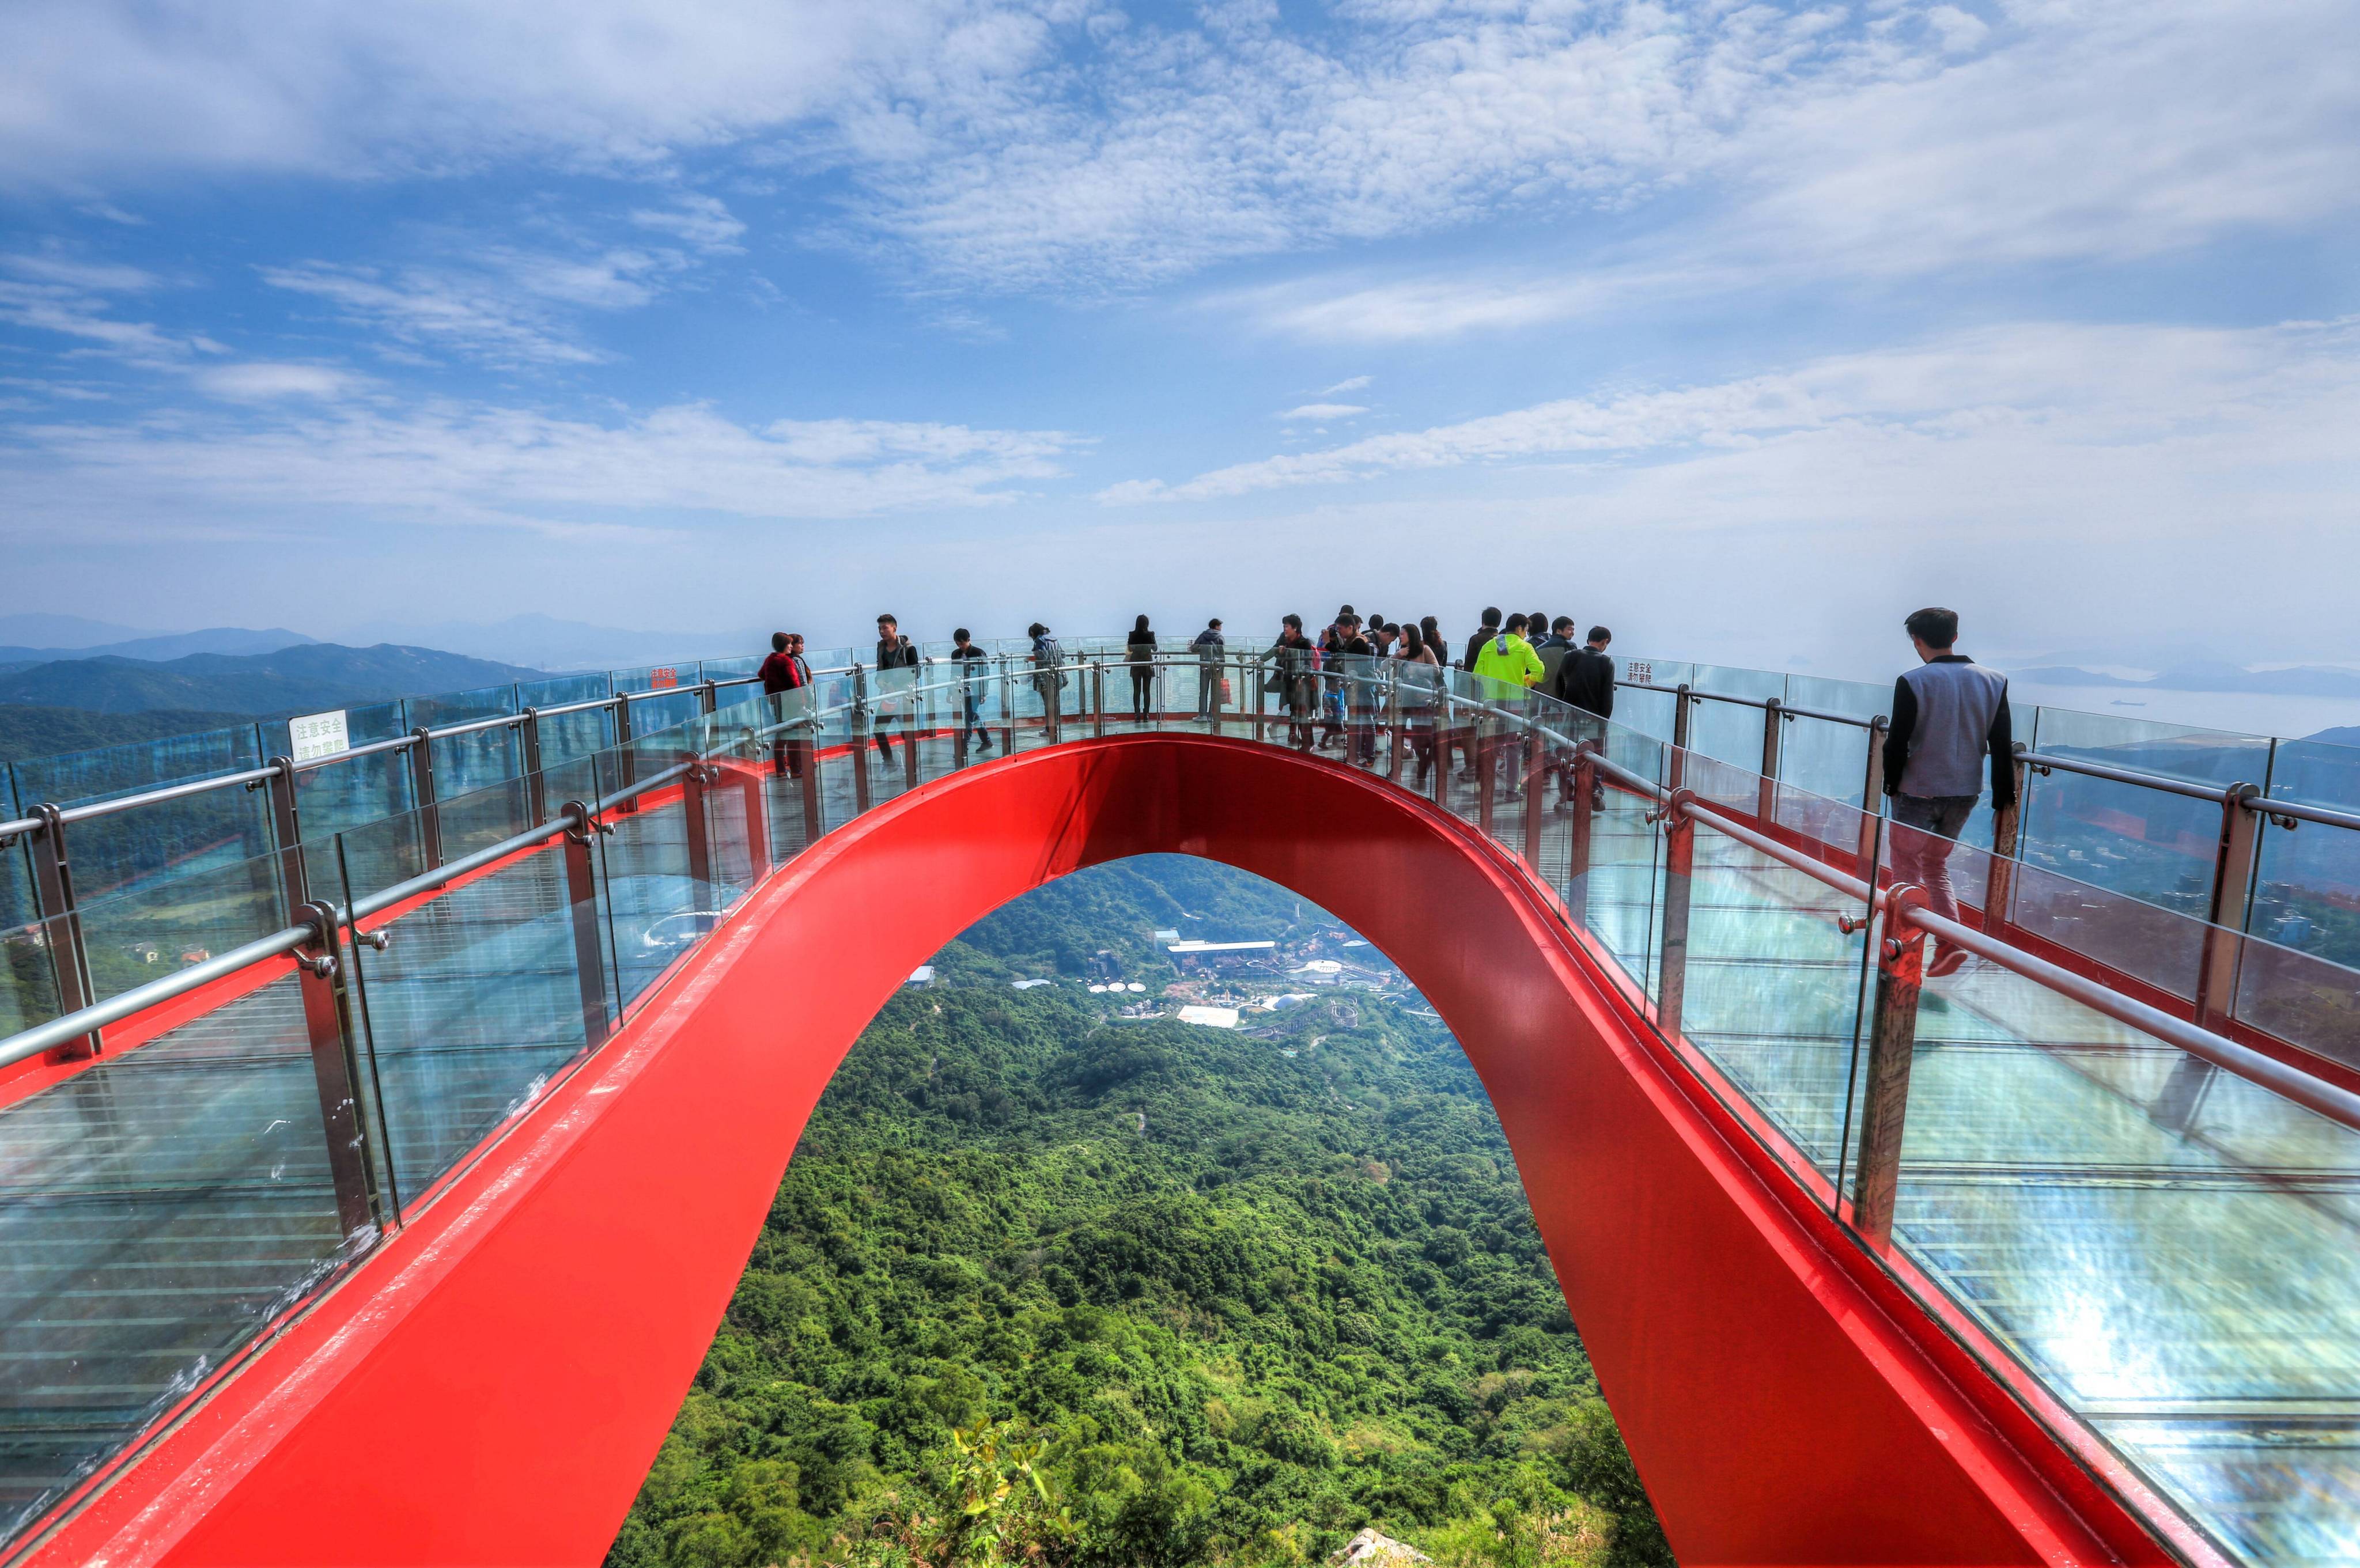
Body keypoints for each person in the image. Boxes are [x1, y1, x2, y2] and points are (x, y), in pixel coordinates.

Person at [1883, 607, 2015, 979]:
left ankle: (1902, 957)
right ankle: (1949, 944)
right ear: (1955, 636)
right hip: (1965, 793)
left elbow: (1897, 744)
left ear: (1917, 641)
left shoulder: (1913, 682)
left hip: (1917, 792)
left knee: (1906, 873)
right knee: (1937, 866)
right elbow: (2001, 745)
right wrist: (2003, 800)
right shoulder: (1994, 681)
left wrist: (1890, 784)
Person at [1471, 613, 1545, 797]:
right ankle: (1512, 790)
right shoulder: (1524, 647)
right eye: (1526, 631)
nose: (1526, 635)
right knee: (1514, 747)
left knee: (1492, 746)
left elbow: (1476, 674)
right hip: (1516, 703)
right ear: (1520, 628)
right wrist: (1526, 681)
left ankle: (1487, 786)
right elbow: (1540, 671)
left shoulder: (1489, 646)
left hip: (1491, 703)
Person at [1547, 626, 1613, 810]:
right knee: (1595, 755)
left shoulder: (1571, 656)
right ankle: (1595, 791)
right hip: (1594, 717)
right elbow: (1607, 697)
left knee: (1565, 751)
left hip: (1569, 714)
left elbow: (1559, 682)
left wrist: (1562, 705)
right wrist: (1604, 721)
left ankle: (1567, 789)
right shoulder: (1606, 663)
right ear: (1604, 642)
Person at [758, 631, 814, 778]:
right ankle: (796, 769)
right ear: (785, 645)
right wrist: (803, 703)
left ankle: (781, 769)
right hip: (791, 703)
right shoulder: (786, 662)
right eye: (789, 644)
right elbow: (796, 684)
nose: (791, 646)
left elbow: (761, 674)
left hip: (777, 702)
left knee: (781, 733)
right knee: (794, 735)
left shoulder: (770, 660)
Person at [1395, 622, 1440, 789]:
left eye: (1403, 634)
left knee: (1419, 739)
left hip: (1422, 698)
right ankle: (1396, 769)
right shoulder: (1401, 652)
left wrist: (1416, 669)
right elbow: (1384, 666)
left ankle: (1423, 765)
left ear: (1411, 635)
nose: (1400, 637)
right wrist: (1398, 655)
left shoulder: (1424, 650)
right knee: (1398, 733)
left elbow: (1436, 670)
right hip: (1403, 698)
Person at [871, 613, 917, 761]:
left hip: (904, 697)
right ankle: (889, 761)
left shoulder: (909, 649)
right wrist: (879, 681)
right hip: (888, 697)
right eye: (879, 628)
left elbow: (915, 673)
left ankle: (912, 762)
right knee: (878, 731)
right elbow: (880, 670)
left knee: (906, 732)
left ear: (894, 628)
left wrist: (895, 684)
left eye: (885, 628)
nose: (881, 631)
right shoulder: (881, 648)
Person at [1268, 614, 1317, 749]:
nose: (1285, 629)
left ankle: (1308, 743)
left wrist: (1303, 677)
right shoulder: (1284, 640)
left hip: (1301, 683)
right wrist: (1261, 660)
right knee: (1294, 711)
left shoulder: (1304, 643)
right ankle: (1298, 738)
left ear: (1295, 628)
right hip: (1289, 681)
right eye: (1284, 626)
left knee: (1302, 713)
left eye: (1287, 626)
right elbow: (1274, 652)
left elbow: (1308, 663)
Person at [950, 627, 992, 753]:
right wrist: (950, 691)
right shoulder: (955, 654)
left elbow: (985, 674)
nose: (960, 646)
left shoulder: (979, 653)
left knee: (969, 718)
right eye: (958, 644)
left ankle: (964, 748)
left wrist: (984, 693)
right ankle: (986, 741)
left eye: (962, 643)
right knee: (974, 715)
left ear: (969, 640)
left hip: (976, 690)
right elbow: (953, 673)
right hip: (962, 690)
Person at [1027, 622, 1066, 721]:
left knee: (1048, 702)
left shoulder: (1039, 640)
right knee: (1055, 701)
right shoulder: (1054, 639)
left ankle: (1050, 728)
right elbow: (1063, 654)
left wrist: (1030, 658)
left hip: (1045, 675)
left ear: (1033, 632)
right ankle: (1055, 725)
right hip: (1058, 673)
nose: (1032, 638)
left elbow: (1043, 656)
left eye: (1031, 635)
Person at [1190, 618, 1226, 719]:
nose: (1221, 628)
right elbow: (1222, 655)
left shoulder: (1203, 636)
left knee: (1203, 692)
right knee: (1215, 693)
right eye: (1220, 626)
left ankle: (1202, 715)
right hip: (1216, 668)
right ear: (1217, 626)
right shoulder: (1220, 638)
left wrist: (1202, 648)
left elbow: (1193, 648)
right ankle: (1211, 715)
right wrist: (1222, 671)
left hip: (1204, 667)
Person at [1125, 613, 1156, 720]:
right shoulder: (1150, 634)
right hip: (1147, 663)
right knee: (1146, 690)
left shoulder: (1132, 634)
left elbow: (1130, 648)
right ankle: (1146, 714)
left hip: (1136, 664)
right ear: (1146, 623)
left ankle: (1137, 713)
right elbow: (1155, 648)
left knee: (1136, 690)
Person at [1463, 607, 1503, 673]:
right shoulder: (1502, 640)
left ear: (1483, 621)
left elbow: (1469, 666)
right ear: (1499, 623)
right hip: (1497, 678)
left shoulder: (1476, 639)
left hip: (1480, 679)